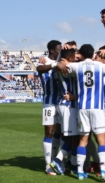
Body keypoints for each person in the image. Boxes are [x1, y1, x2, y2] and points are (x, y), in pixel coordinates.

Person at [65, 44, 105, 181]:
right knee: (101, 141)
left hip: (82, 108)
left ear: (81, 55)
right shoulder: (100, 66)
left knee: (83, 140)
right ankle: (103, 171)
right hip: (97, 108)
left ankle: (79, 172)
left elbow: (64, 64)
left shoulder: (77, 66)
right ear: (92, 54)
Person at [36, 40, 67, 175]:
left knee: (60, 132)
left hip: (61, 102)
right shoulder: (43, 61)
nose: (60, 50)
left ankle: (57, 161)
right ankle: (48, 165)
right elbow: (39, 69)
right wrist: (54, 64)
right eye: (59, 48)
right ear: (52, 50)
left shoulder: (63, 61)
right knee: (49, 131)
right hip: (48, 102)